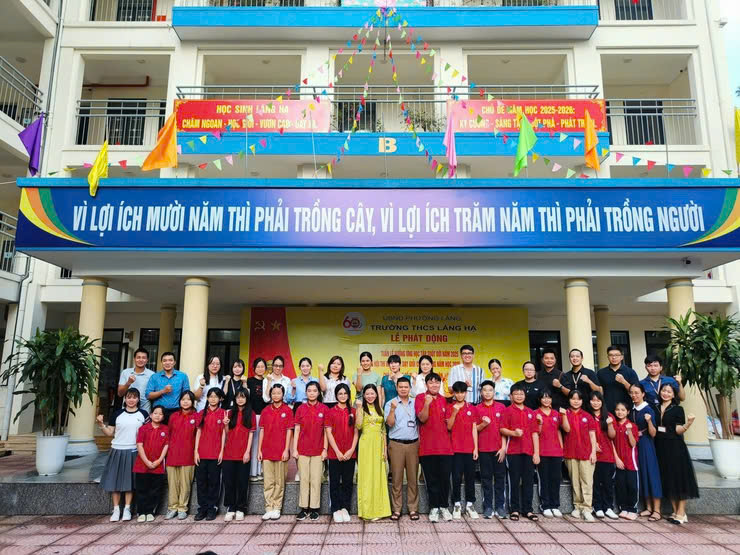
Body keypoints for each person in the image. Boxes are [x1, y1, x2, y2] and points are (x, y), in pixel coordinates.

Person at [97, 388, 148, 522]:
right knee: (115, 481)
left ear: (138, 399)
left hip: (133, 450)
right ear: (125, 399)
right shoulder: (117, 414)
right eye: (129, 397)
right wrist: (101, 425)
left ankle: (127, 509)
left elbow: (147, 433)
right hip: (117, 449)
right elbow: (110, 433)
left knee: (129, 482)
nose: (131, 400)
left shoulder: (143, 414)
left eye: (134, 397)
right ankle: (116, 510)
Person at [654, 382, 699, 525]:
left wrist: (688, 424)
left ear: (674, 394)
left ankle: (681, 512)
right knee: (668, 478)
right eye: (664, 390)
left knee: (679, 478)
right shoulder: (655, 407)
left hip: (675, 446)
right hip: (660, 446)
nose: (665, 393)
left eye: (669, 391)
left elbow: (678, 429)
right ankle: (675, 511)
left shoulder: (678, 409)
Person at [415, 372, 454, 523]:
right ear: (426, 385)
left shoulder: (444, 400)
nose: (434, 385)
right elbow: (422, 418)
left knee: (444, 479)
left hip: (445, 448)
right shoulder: (420, 398)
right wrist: (427, 403)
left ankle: (444, 506)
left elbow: (449, 425)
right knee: (431, 480)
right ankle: (434, 507)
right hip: (428, 448)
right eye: (431, 383)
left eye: (437, 382)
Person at [500, 382, 540, 522]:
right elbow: (502, 429)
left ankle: (528, 510)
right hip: (513, 451)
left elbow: (535, 433)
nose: (518, 396)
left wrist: (536, 453)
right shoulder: (507, 411)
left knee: (528, 481)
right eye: (516, 394)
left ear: (525, 395)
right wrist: (514, 433)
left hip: (528, 451)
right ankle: (514, 509)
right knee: (514, 481)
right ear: (511, 396)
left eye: (521, 394)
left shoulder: (531, 412)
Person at [385, 376, 420, 521]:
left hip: (413, 444)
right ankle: (397, 509)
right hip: (396, 445)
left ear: (410, 388)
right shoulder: (390, 403)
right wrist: (393, 410)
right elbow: (389, 423)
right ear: (397, 388)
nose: (403, 389)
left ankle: (413, 508)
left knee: (412, 478)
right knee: (397, 479)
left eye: (406, 387)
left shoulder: (415, 402)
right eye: (401, 387)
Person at [355, 384, 391, 521]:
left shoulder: (380, 409)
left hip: (378, 446)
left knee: (379, 476)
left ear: (376, 394)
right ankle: (367, 511)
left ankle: (380, 510)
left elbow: (383, 431)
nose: (370, 396)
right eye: (367, 394)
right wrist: (359, 409)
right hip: (366, 445)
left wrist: (385, 450)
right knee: (366, 477)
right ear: (364, 396)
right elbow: (358, 425)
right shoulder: (361, 408)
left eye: (372, 393)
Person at [293, 382, 328, 521]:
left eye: (314, 391)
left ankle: (314, 508)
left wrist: (325, 449)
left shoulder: (324, 409)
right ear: (306, 392)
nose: (312, 393)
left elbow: (326, 431)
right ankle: (304, 508)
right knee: (304, 479)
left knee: (316, 480)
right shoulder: (300, 409)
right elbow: (297, 429)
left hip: (318, 450)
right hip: (302, 449)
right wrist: (294, 449)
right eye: (309, 390)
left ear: (319, 393)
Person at [259, 383, 294, 521]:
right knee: (268, 481)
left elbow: (289, 431)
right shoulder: (265, 411)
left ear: (283, 394)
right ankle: (268, 508)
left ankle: (277, 508)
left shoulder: (288, 410)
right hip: (267, 450)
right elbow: (262, 431)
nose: (276, 395)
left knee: (279, 481)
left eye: (279, 393)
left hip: (281, 451)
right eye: (273, 393)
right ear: (270, 395)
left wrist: (286, 450)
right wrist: (259, 450)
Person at [325, 383, 358, 523]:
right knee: (334, 482)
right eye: (340, 394)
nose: (343, 396)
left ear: (349, 395)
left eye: (345, 393)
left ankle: (345, 508)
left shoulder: (354, 412)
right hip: (335, 454)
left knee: (347, 482)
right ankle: (336, 509)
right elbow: (328, 433)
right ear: (336, 395)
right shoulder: (330, 411)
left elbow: (356, 432)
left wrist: (351, 450)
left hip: (350, 453)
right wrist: (337, 451)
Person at [563, 390, 598, 522]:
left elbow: (592, 436)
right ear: (569, 400)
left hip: (586, 453)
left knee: (587, 481)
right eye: (573, 399)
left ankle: (587, 508)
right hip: (570, 452)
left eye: (578, 399)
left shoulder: (588, 416)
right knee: (575, 481)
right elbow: (565, 430)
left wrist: (593, 452)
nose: (576, 401)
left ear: (582, 401)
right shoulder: (564, 414)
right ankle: (577, 506)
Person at [629, 383, 662, 521]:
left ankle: (657, 510)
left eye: (637, 392)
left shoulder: (648, 409)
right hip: (635, 445)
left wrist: (648, 422)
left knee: (651, 474)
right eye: (632, 392)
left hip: (646, 444)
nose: (634, 395)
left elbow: (653, 433)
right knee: (642, 474)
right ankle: (648, 507)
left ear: (643, 394)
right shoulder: (632, 410)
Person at [447, 381, 480, 520]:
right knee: (456, 477)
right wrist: (454, 412)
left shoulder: (472, 408)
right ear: (454, 393)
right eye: (457, 392)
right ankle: (456, 504)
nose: (460, 395)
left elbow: (474, 429)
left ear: (466, 393)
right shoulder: (450, 407)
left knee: (470, 477)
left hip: (469, 448)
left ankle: (470, 504)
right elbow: (449, 427)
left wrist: (476, 448)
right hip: (455, 449)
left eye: (462, 392)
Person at [194, 388, 227, 521]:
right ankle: (202, 508)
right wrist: (196, 451)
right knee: (201, 482)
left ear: (220, 399)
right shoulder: (201, 413)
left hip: (215, 453)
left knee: (214, 482)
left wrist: (221, 451)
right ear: (207, 398)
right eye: (210, 396)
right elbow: (198, 432)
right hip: (202, 453)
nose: (213, 399)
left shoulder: (223, 413)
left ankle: (212, 508)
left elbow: (224, 433)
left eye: (215, 396)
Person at [165, 391, 199, 520]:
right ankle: (172, 507)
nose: (185, 402)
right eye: (183, 399)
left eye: (188, 399)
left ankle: (182, 508)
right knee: (173, 483)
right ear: (179, 401)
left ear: (192, 402)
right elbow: (168, 434)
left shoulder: (196, 416)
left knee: (185, 484)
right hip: (172, 454)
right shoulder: (173, 416)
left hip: (188, 455)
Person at [476, 380, 508, 519]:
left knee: (500, 478)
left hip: (499, 449)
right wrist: (483, 424)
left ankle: (500, 506)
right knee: (486, 479)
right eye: (485, 390)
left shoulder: (501, 407)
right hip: (483, 449)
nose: (487, 393)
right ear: (481, 392)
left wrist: (503, 448)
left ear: (494, 392)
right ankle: (488, 506)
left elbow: (504, 429)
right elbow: (475, 429)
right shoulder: (477, 408)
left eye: (490, 390)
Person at [222, 389, 255, 522]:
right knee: (229, 482)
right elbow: (227, 433)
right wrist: (225, 424)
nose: (240, 399)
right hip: (229, 453)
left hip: (243, 454)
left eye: (243, 397)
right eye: (238, 397)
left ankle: (241, 508)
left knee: (242, 482)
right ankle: (231, 507)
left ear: (246, 399)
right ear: (235, 399)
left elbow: (251, 434)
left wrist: (247, 452)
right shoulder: (229, 413)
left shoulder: (251, 413)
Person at [133, 405, 169, 522]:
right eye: (155, 413)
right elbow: (139, 445)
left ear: (163, 417)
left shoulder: (166, 429)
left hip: (158, 465)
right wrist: (147, 461)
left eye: (160, 414)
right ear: (151, 415)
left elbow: (166, 445)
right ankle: (141, 511)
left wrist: (159, 460)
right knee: (142, 489)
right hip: (142, 464)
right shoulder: (143, 429)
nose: (158, 415)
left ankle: (150, 511)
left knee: (155, 489)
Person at [587, 391, 619, 520]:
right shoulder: (587, 415)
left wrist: (610, 424)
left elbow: (612, 436)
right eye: (593, 400)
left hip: (607, 454)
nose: (595, 403)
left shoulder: (608, 416)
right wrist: (593, 445)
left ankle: (608, 507)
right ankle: (597, 506)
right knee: (595, 482)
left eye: (598, 400)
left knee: (607, 483)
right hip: (592, 455)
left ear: (602, 402)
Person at [534, 388, 565, 518]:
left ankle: (555, 505)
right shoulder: (535, 413)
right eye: (544, 397)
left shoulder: (556, 414)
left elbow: (559, 431)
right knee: (544, 479)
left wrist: (561, 448)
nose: (546, 400)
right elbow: (536, 433)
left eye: (548, 397)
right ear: (539, 399)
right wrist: (540, 423)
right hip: (542, 451)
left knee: (555, 479)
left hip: (556, 452)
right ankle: (545, 505)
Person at [612, 401, 639, 520]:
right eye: (618, 410)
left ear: (628, 412)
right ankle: (623, 508)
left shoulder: (632, 425)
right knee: (620, 485)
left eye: (623, 410)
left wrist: (629, 432)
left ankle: (632, 509)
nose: (620, 412)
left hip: (631, 462)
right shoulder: (614, 425)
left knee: (632, 486)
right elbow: (611, 443)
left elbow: (633, 444)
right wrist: (616, 459)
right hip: (619, 461)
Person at [145, 352, 190, 423]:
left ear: (174, 362)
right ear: (161, 363)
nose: (167, 363)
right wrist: (162, 391)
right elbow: (148, 395)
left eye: (170, 360)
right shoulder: (154, 377)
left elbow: (187, 395)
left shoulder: (182, 376)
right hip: (159, 412)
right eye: (164, 361)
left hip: (177, 411)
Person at [597, 345, 639, 413]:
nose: (614, 357)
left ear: (622, 357)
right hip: (607, 410)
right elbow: (598, 392)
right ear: (608, 357)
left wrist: (624, 382)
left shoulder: (630, 372)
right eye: (611, 355)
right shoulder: (601, 373)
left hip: (625, 410)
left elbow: (636, 392)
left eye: (616, 355)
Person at [247, 357, 268, 481]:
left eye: (262, 367)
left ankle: (260, 471)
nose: (260, 369)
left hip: (264, 415)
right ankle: (252, 472)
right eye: (258, 366)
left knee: (262, 444)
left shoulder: (267, 381)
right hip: (253, 415)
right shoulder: (249, 381)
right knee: (253, 443)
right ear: (254, 368)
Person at [117, 347, 154, 413]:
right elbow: (120, 394)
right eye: (138, 357)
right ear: (134, 359)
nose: (141, 360)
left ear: (147, 360)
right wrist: (128, 383)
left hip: (145, 410)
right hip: (127, 410)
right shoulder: (125, 372)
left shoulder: (152, 375)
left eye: (143, 358)